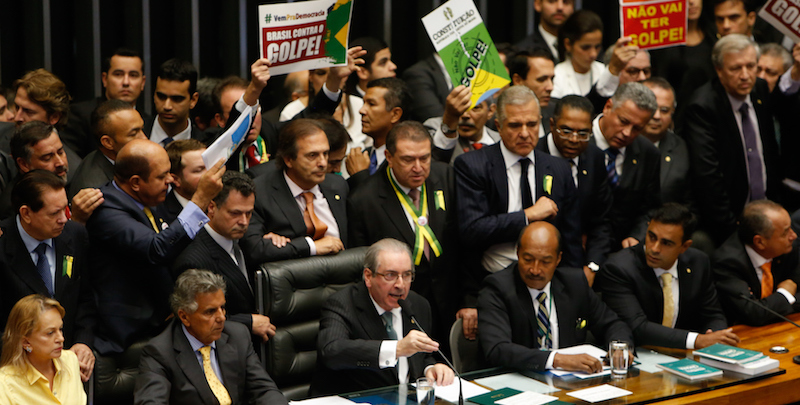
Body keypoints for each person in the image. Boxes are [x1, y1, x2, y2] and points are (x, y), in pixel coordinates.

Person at [85, 139, 224, 355]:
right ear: (136, 182)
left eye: (169, 172)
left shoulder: (149, 198)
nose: (170, 180)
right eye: (161, 176)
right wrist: (200, 199)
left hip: (160, 322)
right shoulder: (107, 210)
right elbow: (156, 249)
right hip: (126, 336)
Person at [454, 85, 581, 309]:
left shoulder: (558, 169)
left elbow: (570, 239)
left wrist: (573, 292)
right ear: (498, 126)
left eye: (531, 124)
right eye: (514, 125)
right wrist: (527, 216)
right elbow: (471, 231)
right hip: (491, 282)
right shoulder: (473, 165)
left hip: (548, 283)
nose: (524, 133)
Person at [348, 121, 461, 341]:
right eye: (408, 160)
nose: (418, 167)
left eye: (424, 158)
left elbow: (462, 242)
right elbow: (362, 270)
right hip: (401, 310)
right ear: (389, 157)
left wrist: (469, 301)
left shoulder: (445, 176)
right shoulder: (364, 201)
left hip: (450, 304)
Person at [683, 34, 799, 246]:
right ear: (719, 70)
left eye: (750, 66)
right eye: (736, 68)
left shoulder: (759, 88)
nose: (745, 75)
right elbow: (708, 177)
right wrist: (732, 231)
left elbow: (774, 143)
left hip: (768, 210)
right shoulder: (702, 107)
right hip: (730, 219)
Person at [478, 222, 633, 373]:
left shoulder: (574, 284)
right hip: (519, 382)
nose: (535, 269)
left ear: (558, 259)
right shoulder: (497, 288)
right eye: (528, 259)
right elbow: (497, 349)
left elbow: (613, 324)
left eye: (545, 262)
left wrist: (619, 349)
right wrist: (556, 359)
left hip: (572, 384)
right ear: (518, 253)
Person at [310, 238, 455, 395]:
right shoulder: (342, 304)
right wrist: (396, 349)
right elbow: (332, 352)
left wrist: (431, 368)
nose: (400, 284)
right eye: (390, 275)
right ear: (368, 276)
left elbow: (421, 356)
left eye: (407, 275)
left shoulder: (418, 304)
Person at [134, 269, 287, 405]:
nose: (221, 318)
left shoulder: (237, 335)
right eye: (210, 312)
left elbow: (264, 390)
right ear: (184, 316)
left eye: (222, 308)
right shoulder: (159, 353)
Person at [597, 203, 738, 349]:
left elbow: (713, 314)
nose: (654, 248)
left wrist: (713, 335)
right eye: (651, 237)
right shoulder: (619, 268)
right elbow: (637, 328)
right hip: (639, 354)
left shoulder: (698, 262)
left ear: (685, 246)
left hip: (683, 355)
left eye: (666, 243)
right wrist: (696, 340)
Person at [0, 170, 96, 381]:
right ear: (26, 213)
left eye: (66, 209)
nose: (64, 219)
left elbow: (85, 299)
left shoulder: (75, 235)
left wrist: (83, 342)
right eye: (54, 213)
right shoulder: (3, 246)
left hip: (70, 363)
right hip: (16, 369)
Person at [173, 172, 276, 345]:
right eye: (235, 213)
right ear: (211, 208)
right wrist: (248, 322)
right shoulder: (194, 261)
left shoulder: (246, 240)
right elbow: (198, 319)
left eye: (249, 213)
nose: (244, 221)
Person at [240, 119, 347, 264]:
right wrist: (311, 247)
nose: (323, 163)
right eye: (312, 155)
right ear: (289, 159)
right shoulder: (260, 192)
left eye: (325, 154)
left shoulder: (338, 186)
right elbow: (254, 249)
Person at [536, 95, 613, 285]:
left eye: (583, 133)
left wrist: (592, 266)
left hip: (581, 261)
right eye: (566, 131)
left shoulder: (594, 158)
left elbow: (602, 221)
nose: (574, 139)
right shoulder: (534, 154)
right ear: (552, 124)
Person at [592, 82, 661, 249]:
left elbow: (650, 209)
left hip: (621, 250)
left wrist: (637, 236)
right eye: (623, 121)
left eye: (637, 128)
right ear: (608, 107)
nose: (627, 133)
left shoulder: (648, 153)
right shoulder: (576, 139)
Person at [713, 200, 800, 325]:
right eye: (785, 233)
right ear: (759, 242)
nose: (794, 236)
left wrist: (775, 304)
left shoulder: (790, 248)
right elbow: (752, 313)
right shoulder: (727, 263)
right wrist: (785, 294)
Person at [0, 122, 103, 224]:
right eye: (47, 158)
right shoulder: (13, 209)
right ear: (24, 164)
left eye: (61, 152)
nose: (60, 162)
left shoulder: (61, 179)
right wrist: (76, 220)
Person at [0, 295, 86, 404]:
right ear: (26, 343)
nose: (61, 338)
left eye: (60, 329)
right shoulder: (5, 384)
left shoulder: (70, 360)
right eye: (50, 333)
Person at [62, 48, 148, 158]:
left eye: (133, 75)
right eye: (118, 74)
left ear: (143, 82)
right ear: (105, 79)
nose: (126, 82)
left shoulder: (147, 120)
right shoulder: (81, 115)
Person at [68, 99, 147, 200]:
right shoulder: (97, 191)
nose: (144, 138)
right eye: (133, 134)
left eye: (142, 129)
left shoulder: (115, 161)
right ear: (108, 142)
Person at [347, 77, 412, 184]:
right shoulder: (362, 157)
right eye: (364, 103)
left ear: (395, 114)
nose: (361, 110)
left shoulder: (406, 161)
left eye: (371, 104)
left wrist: (359, 176)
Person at [641, 78, 692, 207]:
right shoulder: (622, 142)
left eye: (664, 110)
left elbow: (690, 203)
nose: (657, 116)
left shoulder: (683, 150)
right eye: (651, 108)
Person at [426, 85, 499, 165]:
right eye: (460, 105)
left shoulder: (501, 141)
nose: (465, 115)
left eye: (475, 107)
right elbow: (434, 163)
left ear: (491, 111)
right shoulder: (434, 130)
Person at [146, 58, 208, 147]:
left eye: (177, 99)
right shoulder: (135, 136)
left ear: (193, 100)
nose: (167, 106)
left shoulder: (206, 146)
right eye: (161, 97)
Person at [550, 10, 608, 98]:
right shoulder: (557, 75)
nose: (593, 54)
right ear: (568, 45)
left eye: (597, 47)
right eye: (585, 47)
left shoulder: (604, 72)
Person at [507, 48, 556, 136]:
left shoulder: (557, 112)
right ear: (518, 81)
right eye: (541, 79)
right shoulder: (492, 116)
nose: (550, 87)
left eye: (552, 79)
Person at [161, 139, 207, 223]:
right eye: (199, 170)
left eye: (210, 165)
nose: (209, 174)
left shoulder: (223, 200)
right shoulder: (163, 214)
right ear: (175, 179)